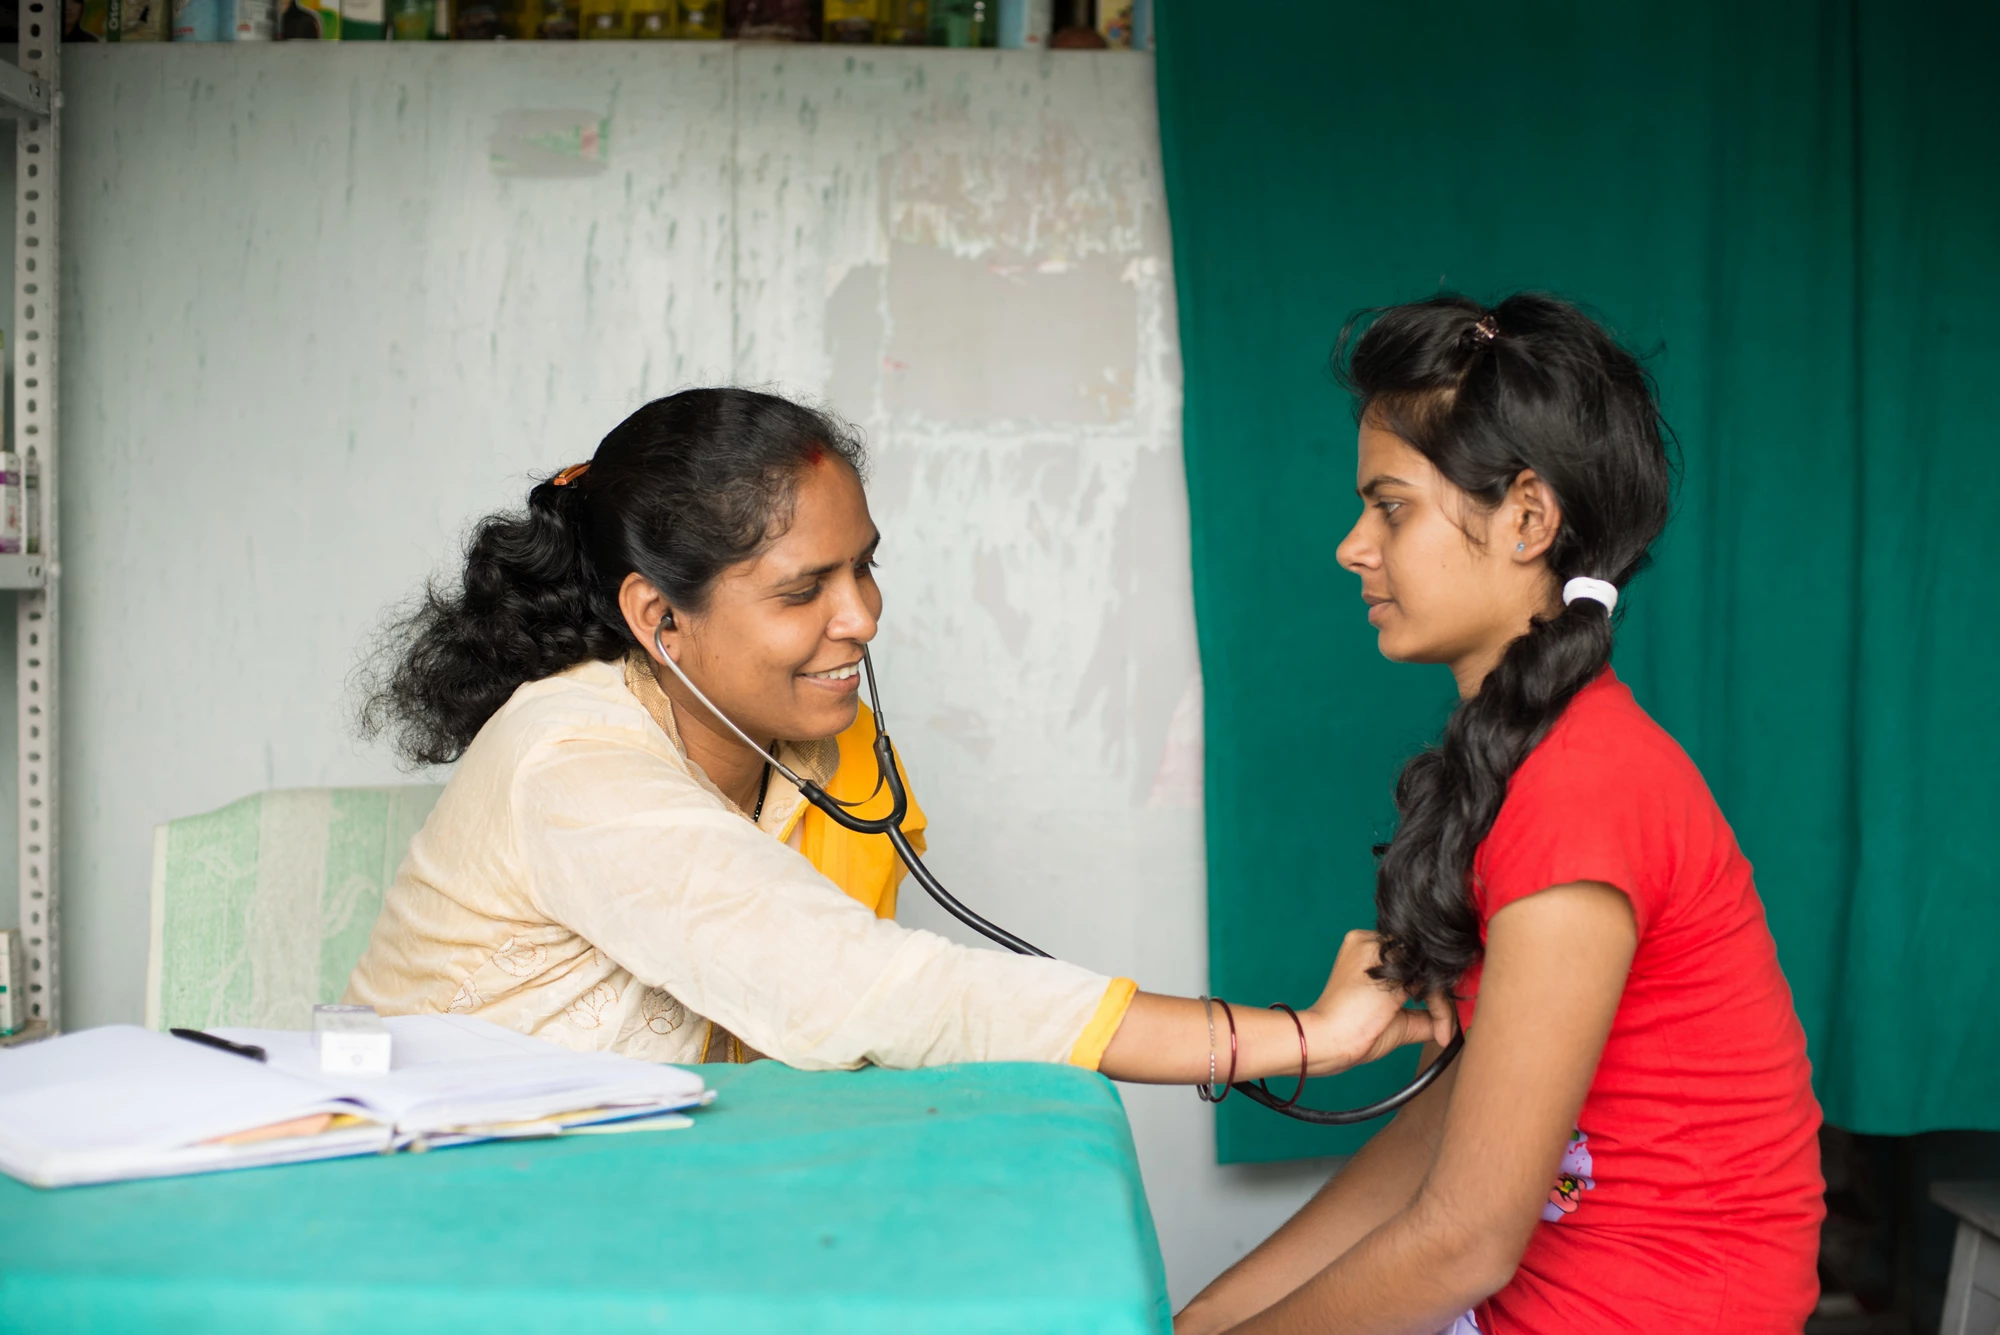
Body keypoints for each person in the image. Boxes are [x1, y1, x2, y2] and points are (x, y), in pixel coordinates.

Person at [347, 388, 1452, 1087]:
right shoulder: (572, 769)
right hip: (452, 1211)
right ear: (657, 618)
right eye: (802, 590)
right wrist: (1296, 1038)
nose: (863, 618)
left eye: (864, 564)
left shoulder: (819, 747)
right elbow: (878, 991)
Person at [1174, 295, 1823, 1334]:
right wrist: (1210, 1318)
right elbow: (1451, 1134)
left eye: (1388, 508)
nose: (1351, 546)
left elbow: (1464, 1238)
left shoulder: (1583, 789)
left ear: (1527, 517)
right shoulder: (1528, 758)